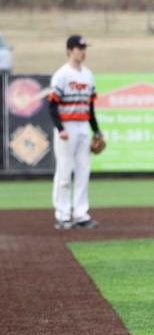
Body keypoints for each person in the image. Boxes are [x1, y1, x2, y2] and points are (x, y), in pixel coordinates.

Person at [48, 34, 103, 229]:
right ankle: (63, 214)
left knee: (83, 170)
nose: (83, 52)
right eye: (79, 48)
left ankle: (81, 213)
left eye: (84, 48)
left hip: (82, 127)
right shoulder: (62, 75)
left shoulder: (88, 75)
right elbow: (52, 106)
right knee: (64, 172)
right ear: (70, 50)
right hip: (67, 127)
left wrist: (96, 131)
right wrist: (60, 128)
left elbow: (90, 108)